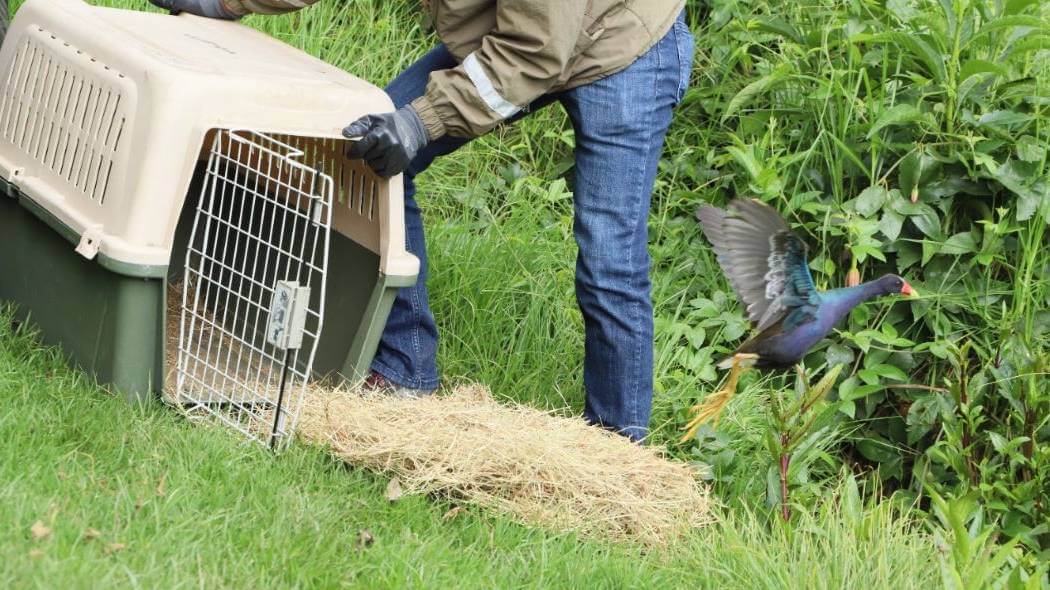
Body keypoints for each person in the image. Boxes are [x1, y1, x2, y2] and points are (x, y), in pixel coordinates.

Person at [149, 0, 694, 442]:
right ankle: (407, 371)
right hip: (515, 35)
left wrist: (422, 120)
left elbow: (535, 54)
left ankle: (618, 454)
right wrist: (222, 1)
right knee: (368, 154)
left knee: (608, 257)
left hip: (621, 46)